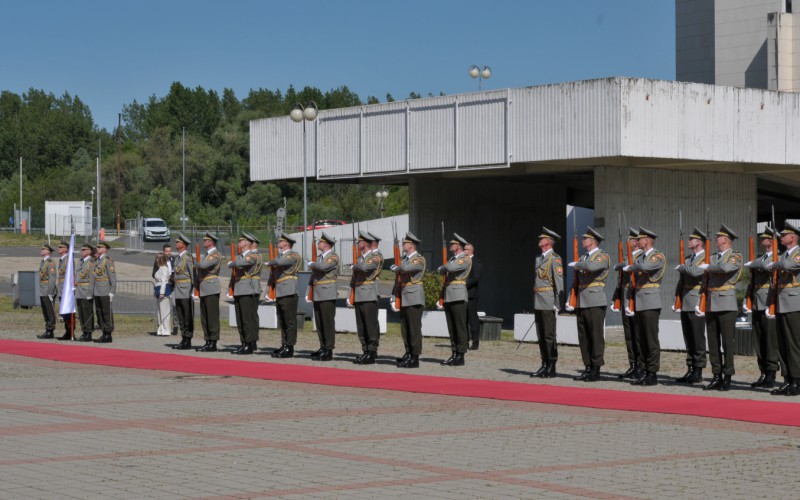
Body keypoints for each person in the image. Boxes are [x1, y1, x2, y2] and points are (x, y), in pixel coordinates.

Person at [696, 224, 743, 391]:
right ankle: (716, 375)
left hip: (726, 303)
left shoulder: (735, 257)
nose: (716, 239)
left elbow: (724, 268)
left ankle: (728, 375)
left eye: (719, 237)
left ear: (725, 240)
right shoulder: (713, 257)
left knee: (727, 343)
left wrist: (708, 267)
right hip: (710, 302)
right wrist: (700, 302)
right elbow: (705, 280)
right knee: (713, 342)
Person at [566, 227, 609, 382]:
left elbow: (591, 267)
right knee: (584, 337)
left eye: (585, 239)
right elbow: (576, 281)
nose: (583, 241)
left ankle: (596, 369)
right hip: (581, 301)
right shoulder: (583, 257)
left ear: (592, 241)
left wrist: (578, 264)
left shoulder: (602, 256)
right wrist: (571, 297)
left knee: (595, 336)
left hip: (595, 301)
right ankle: (588, 367)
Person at [625, 227, 666, 386]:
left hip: (650, 301)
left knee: (650, 339)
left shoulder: (657, 256)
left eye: (640, 239)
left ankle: (652, 373)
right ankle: (643, 370)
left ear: (647, 241)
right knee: (640, 339)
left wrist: (631, 266)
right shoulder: (641, 257)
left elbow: (645, 267)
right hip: (639, 301)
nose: (637, 241)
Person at [744, 226, 780, 389]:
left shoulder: (776, 257)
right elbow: (752, 282)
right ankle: (763, 372)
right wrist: (747, 299)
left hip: (769, 302)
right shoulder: (760, 257)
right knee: (759, 340)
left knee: (770, 340)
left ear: (772, 241)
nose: (761, 240)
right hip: (758, 301)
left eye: (765, 238)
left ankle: (771, 372)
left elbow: (766, 267)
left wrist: (754, 263)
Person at [768, 222, 800, 396]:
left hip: (794, 303)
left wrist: (775, 264)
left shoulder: (797, 254)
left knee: (794, 344)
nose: (781, 237)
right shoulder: (782, 255)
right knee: (783, 344)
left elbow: (788, 266)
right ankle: (788, 379)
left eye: (784, 235)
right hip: (781, 303)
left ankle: (797, 380)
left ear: (793, 237)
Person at [674, 227, 708, 384]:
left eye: (691, 239)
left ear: (699, 242)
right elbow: (681, 281)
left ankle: (699, 370)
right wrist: (677, 298)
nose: (688, 241)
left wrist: (683, 267)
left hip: (696, 301)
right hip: (686, 300)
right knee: (688, 338)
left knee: (698, 338)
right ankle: (690, 368)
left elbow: (695, 273)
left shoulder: (706, 258)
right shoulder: (688, 259)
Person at [530, 227, 564, 378]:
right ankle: (544, 363)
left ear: (548, 242)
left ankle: (552, 365)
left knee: (549, 335)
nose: (539, 240)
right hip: (538, 299)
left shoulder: (555, 259)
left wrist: (557, 302)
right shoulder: (538, 258)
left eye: (542, 238)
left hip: (549, 300)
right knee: (541, 334)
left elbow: (559, 283)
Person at [611, 228, 644, 379]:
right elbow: (621, 281)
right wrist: (616, 298)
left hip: (636, 300)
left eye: (630, 240)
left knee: (638, 335)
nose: (628, 243)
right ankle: (633, 365)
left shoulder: (642, 257)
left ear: (636, 242)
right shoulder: (626, 258)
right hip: (625, 299)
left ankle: (641, 366)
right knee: (629, 335)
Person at [391, 232, 426, 368]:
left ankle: (415, 356)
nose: (402, 245)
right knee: (405, 329)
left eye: (404, 243)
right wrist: (394, 297)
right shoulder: (404, 259)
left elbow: (405, 269)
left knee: (414, 328)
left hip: (414, 298)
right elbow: (398, 281)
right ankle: (408, 353)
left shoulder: (418, 259)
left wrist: (397, 267)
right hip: (405, 297)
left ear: (411, 245)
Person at [265, 232, 302, 358]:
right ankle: (284, 344)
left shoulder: (292, 255)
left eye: (281, 241)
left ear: (286, 243)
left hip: (289, 290)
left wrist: (271, 262)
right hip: (280, 291)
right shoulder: (280, 256)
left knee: (289, 320)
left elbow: (278, 262)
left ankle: (289, 346)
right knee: (282, 320)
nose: (278, 243)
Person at [438, 234, 472, 366]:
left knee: (460, 327)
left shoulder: (465, 258)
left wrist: (444, 266)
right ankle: (454, 352)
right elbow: (442, 271)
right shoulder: (453, 259)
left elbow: (449, 268)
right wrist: (444, 267)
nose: (451, 246)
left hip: (458, 294)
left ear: (459, 246)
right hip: (449, 295)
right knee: (451, 327)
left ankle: (461, 355)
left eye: (453, 244)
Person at [227, 232, 262, 355]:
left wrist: (232, 263)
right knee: (240, 318)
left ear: (246, 243)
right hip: (239, 289)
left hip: (248, 289)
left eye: (240, 241)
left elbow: (241, 263)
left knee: (248, 318)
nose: (239, 243)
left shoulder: (253, 255)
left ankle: (249, 343)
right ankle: (244, 342)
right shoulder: (241, 256)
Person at [351, 231, 382, 364]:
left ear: (365, 243)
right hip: (359, 294)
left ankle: (372, 352)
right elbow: (354, 279)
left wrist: (355, 266)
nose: (358, 243)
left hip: (369, 294)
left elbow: (364, 268)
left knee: (370, 325)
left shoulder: (375, 257)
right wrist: (350, 295)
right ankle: (365, 350)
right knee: (361, 326)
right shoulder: (360, 258)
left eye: (359, 241)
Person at [307, 232, 339, 361]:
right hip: (318, 293)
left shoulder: (333, 257)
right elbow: (314, 275)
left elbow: (322, 267)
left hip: (327, 293)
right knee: (320, 323)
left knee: (327, 322)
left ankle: (329, 349)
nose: (318, 244)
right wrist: (309, 291)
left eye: (320, 242)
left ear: (325, 244)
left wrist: (311, 264)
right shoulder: (320, 257)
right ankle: (323, 346)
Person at [195, 232, 222, 352]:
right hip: (204, 287)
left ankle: (213, 342)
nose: (204, 242)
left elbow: (203, 265)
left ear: (211, 242)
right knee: (205, 317)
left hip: (211, 287)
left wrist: (196, 264)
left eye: (206, 240)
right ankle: (207, 340)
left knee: (212, 317)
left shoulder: (214, 255)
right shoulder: (207, 254)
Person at [171, 233, 195, 350]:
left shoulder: (188, 258)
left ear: (183, 245)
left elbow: (192, 275)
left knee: (187, 316)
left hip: (186, 289)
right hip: (178, 289)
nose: (176, 243)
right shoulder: (177, 258)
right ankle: (183, 338)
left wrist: (193, 290)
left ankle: (188, 339)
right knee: (180, 315)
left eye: (178, 242)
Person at [92, 241, 116, 343]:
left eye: (99, 247)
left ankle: (108, 334)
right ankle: (103, 332)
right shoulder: (98, 260)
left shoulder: (108, 260)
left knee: (106, 313)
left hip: (105, 290)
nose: (97, 248)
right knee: (99, 312)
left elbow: (112, 278)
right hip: (97, 290)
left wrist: (112, 291)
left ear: (105, 249)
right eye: (97, 247)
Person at [74, 244, 95, 341]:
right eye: (81, 249)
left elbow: (91, 279)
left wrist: (90, 293)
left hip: (86, 290)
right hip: (79, 290)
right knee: (81, 312)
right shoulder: (80, 261)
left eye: (84, 249)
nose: (81, 251)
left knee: (87, 312)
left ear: (89, 251)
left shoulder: (91, 262)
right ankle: (84, 331)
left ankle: (89, 332)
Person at [37, 243, 58, 339]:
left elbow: (52, 279)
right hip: (42, 289)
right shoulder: (43, 262)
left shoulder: (50, 263)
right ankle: (47, 329)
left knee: (49, 311)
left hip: (47, 290)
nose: (41, 250)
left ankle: (50, 330)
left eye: (43, 249)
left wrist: (50, 292)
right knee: (45, 311)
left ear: (48, 251)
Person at [464, 243, 482, 350]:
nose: (464, 251)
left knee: (472, 319)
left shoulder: (476, 262)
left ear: (471, 251)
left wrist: (462, 284)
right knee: (463, 319)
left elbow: (475, 278)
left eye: (466, 249)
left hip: (471, 294)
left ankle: (475, 343)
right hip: (462, 295)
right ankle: (464, 341)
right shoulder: (464, 261)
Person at [55, 240, 73, 340]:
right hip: (62, 289)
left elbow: (70, 276)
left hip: (66, 290)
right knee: (64, 313)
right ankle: (67, 331)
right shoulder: (62, 260)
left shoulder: (68, 260)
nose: (59, 249)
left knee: (68, 313)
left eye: (61, 247)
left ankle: (70, 332)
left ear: (66, 249)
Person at [153, 252, 172, 336]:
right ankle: (161, 329)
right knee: (160, 312)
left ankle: (166, 330)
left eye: (157, 258)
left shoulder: (164, 268)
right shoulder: (160, 268)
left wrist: (162, 293)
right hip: (158, 289)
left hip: (163, 292)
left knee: (165, 311)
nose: (156, 259)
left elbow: (164, 281)